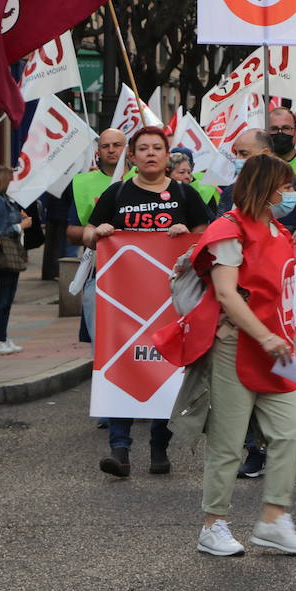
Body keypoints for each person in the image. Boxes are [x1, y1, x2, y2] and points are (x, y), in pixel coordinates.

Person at [179, 154, 296, 556]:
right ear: (265, 188)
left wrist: (283, 337)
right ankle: (213, 525)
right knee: (227, 442)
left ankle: (273, 520)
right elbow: (225, 293)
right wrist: (265, 336)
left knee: (290, 433)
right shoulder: (229, 229)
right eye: (285, 187)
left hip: (273, 347)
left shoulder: (275, 228)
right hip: (237, 345)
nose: (291, 194)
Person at [84, 126, 212, 478]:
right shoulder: (117, 193)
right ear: (132, 156)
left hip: (172, 301)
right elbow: (87, 233)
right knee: (122, 366)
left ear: (167, 155)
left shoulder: (186, 195)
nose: (150, 153)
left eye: (157, 148)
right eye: (143, 148)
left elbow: (209, 238)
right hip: (123, 302)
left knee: (164, 370)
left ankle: (159, 446)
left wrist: (188, 235)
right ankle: (120, 449)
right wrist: (98, 234)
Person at [65, 128, 127, 344]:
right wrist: (98, 234)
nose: (111, 150)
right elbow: (71, 232)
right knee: (102, 343)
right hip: (99, 272)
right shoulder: (83, 183)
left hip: (140, 273)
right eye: (105, 146)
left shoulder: (144, 180)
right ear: (98, 151)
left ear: (127, 149)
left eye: (117, 145)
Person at [218, 129, 296, 240]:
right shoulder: (231, 192)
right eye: (236, 153)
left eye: (244, 154)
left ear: (265, 153)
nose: (237, 159)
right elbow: (220, 232)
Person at [0, 165, 30, 354]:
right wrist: (21, 225)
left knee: (7, 299)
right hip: (0, 257)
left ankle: (1, 336)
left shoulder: (9, 202)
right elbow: (2, 231)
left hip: (11, 257)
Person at [170, 148, 219, 214]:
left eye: (188, 172)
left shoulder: (206, 188)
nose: (187, 176)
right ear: (167, 172)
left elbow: (211, 220)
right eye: (182, 172)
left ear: (193, 166)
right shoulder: (157, 191)